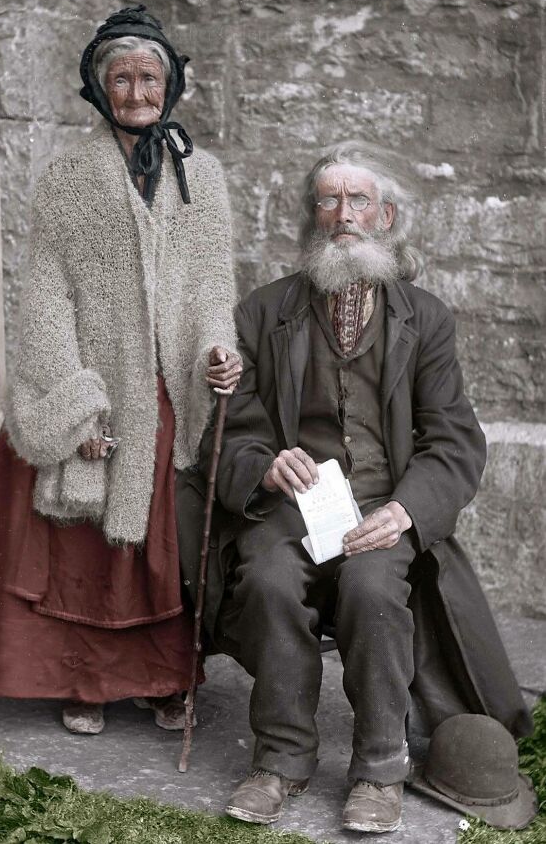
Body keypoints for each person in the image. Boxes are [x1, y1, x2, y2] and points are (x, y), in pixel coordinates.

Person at [185, 140, 532, 832]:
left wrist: (406, 510)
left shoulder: (425, 318)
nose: (344, 214)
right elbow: (226, 437)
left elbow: (454, 439)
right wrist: (263, 464)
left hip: (383, 507)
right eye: (329, 200)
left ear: (386, 215)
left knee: (374, 587)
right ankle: (280, 758)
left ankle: (379, 766)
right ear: (314, 216)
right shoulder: (262, 312)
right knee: (271, 579)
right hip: (289, 508)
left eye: (359, 200)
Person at [0, 5, 241, 737]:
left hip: (164, 389)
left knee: (158, 547)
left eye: (150, 76)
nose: (136, 91)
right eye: (120, 78)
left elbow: (213, 287)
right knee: (85, 546)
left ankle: (165, 676)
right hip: (96, 381)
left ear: (171, 84)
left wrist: (217, 350)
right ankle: (84, 677)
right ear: (98, 87)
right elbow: (45, 296)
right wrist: (77, 406)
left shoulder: (201, 178)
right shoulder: (67, 179)